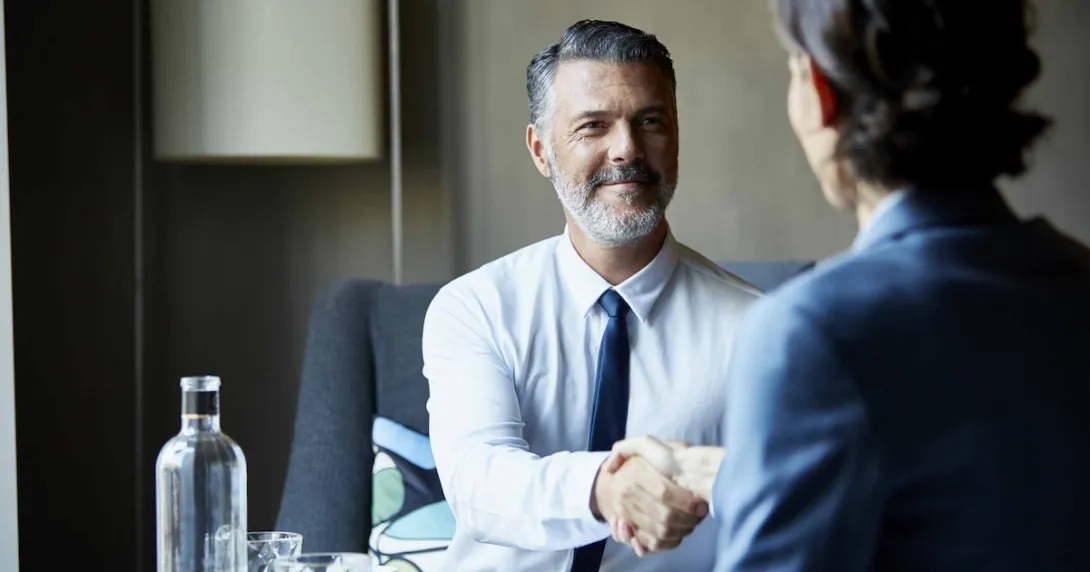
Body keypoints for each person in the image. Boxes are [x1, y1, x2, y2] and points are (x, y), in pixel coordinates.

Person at [608, 0, 1090, 570]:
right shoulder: (1075, 280)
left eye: (793, 69)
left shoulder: (811, 330)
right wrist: (721, 473)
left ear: (820, 92)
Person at [421, 19, 760, 572]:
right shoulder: (476, 308)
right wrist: (602, 489)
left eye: (650, 121)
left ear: (676, 138)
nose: (626, 149)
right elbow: (477, 479)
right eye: (593, 126)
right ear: (541, 150)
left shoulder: (758, 328)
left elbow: (785, 500)